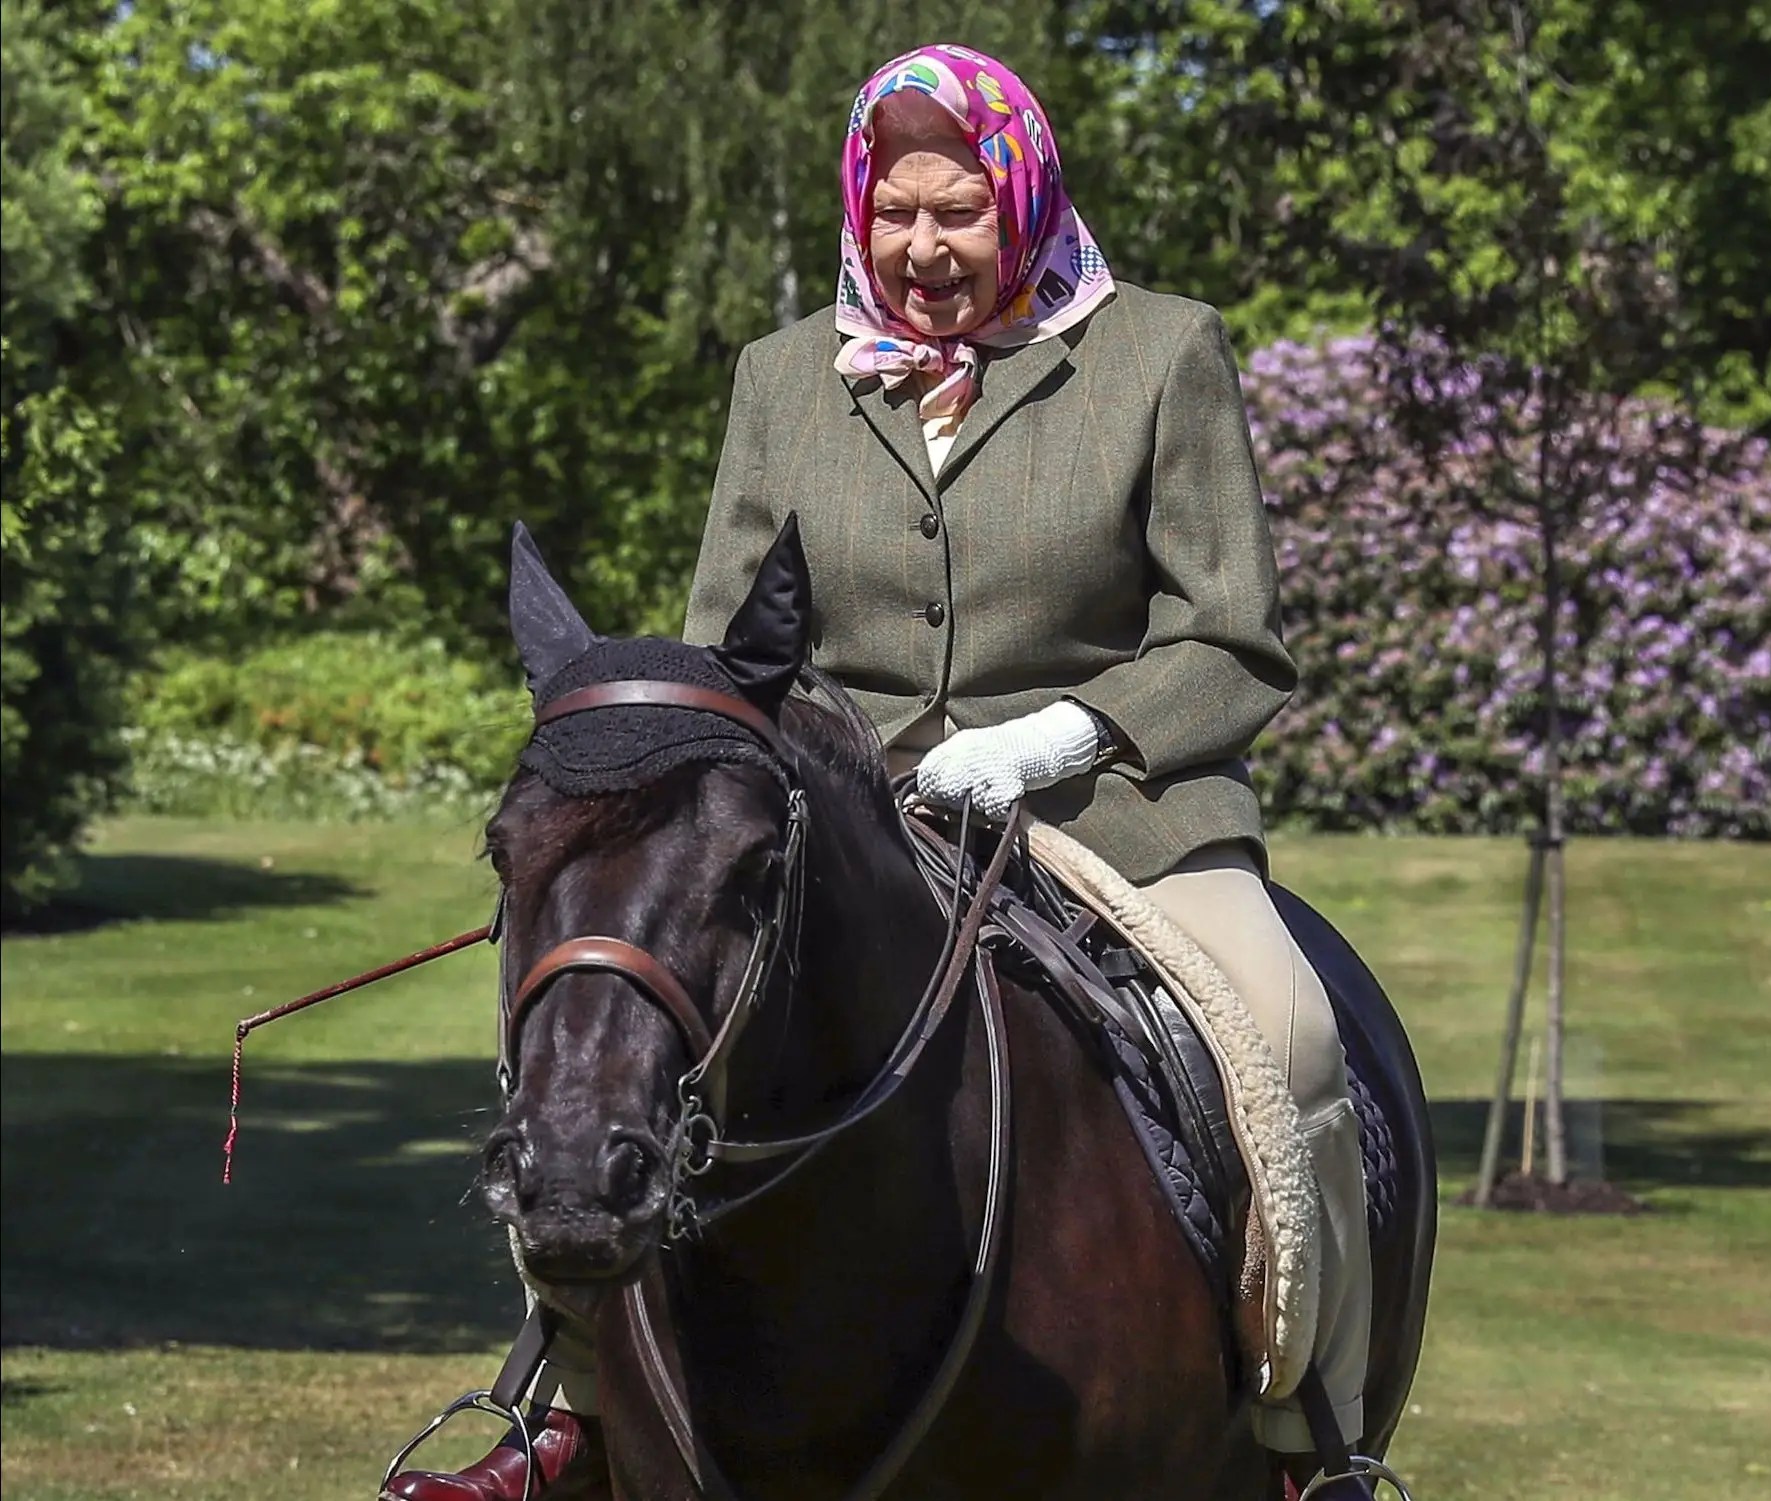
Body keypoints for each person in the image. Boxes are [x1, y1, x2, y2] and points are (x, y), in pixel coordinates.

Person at [389, 44, 1371, 1500]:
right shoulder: (781, 377)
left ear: (1021, 198)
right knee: (623, 1028)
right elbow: (736, 651)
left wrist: (1060, 736)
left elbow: (1233, 641)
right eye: (895, 213)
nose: (923, 249)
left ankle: (1312, 1441)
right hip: (847, 822)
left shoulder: (1162, 353)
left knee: (1288, 1039)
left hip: (1115, 811)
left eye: (960, 212)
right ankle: (573, 1410)